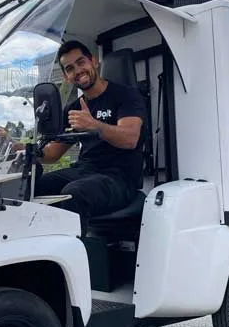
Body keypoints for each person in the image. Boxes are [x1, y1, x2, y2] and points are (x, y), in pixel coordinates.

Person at [34, 40, 147, 235]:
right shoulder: (73, 109)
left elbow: (130, 139)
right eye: (70, 68)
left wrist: (94, 125)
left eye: (81, 62)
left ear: (93, 61)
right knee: (34, 187)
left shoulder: (126, 95)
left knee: (74, 193)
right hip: (84, 171)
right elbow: (53, 154)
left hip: (119, 178)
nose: (77, 70)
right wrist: (20, 148)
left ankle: (72, 261)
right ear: (67, 77)